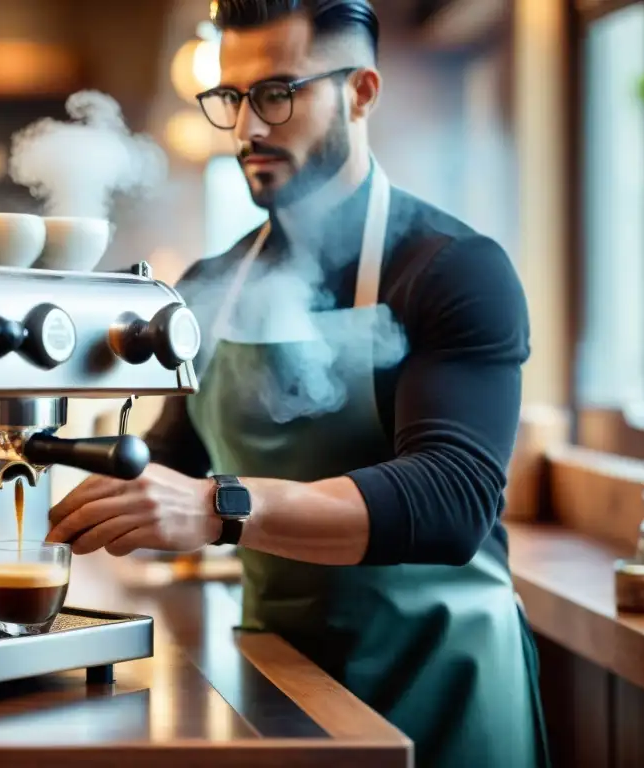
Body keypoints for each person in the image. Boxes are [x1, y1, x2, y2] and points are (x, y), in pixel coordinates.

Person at [47, 1, 549, 766]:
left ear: (361, 92)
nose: (248, 128)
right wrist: (35, 431)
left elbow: (454, 500)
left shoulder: (454, 270)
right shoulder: (214, 284)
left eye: (278, 93)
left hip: (444, 691)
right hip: (285, 688)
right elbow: (168, 471)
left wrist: (221, 507)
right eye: (232, 98)